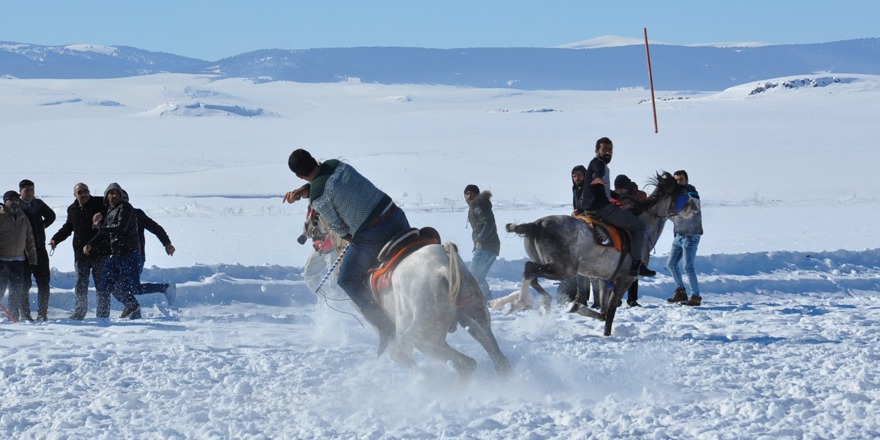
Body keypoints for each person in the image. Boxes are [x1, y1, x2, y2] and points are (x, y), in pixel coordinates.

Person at [284, 149, 409, 355]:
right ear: (314, 158)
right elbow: (324, 178)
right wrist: (304, 190)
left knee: (346, 279)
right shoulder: (335, 164)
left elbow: (339, 228)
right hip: (395, 215)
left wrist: (353, 241)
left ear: (298, 175)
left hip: (373, 232)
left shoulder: (317, 197)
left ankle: (385, 326)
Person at [580, 137, 655, 277]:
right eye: (605, 149)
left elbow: (604, 190)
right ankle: (636, 264)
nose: (608, 152)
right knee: (639, 226)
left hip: (590, 208)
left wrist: (618, 196)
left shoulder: (596, 163)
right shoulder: (599, 164)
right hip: (603, 209)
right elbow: (598, 174)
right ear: (597, 151)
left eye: (610, 150)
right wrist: (598, 177)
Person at [50, 183, 111, 320]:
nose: (84, 194)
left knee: (102, 285)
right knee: (81, 285)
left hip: (100, 252)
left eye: (86, 191)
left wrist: (101, 214)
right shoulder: (72, 209)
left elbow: (113, 209)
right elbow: (68, 228)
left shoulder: (100, 202)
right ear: (75, 195)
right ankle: (79, 312)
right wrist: (55, 240)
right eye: (80, 192)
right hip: (80, 253)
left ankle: (102, 314)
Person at [83, 183, 142, 319]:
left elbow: (120, 228)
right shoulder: (110, 211)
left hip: (131, 254)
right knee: (105, 286)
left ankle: (164, 288)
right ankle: (104, 318)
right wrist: (91, 244)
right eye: (111, 193)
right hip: (117, 255)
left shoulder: (126, 207)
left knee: (134, 288)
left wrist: (101, 227)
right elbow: (104, 232)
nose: (114, 195)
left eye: (117, 193)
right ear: (107, 196)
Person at [120, 190, 177, 305]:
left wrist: (167, 243)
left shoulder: (137, 214)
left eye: (125, 198)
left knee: (133, 288)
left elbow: (155, 228)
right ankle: (132, 309)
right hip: (119, 257)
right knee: (119, 285)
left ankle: (164, 288)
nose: (123, 201)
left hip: (136, 257)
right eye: (121, 199)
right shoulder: (109, 215)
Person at [18, 179, 56, 321]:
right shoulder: (18, 205)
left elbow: (51, 216)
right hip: (23, 251)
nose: (29, 192)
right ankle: (25, 313)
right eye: (26, 190)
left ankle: (42, 313)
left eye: (32, 189)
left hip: (40, 248)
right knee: (24, 283)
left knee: (44, 282)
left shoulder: (38, 203)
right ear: (21, 191)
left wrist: (41, 226)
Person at [665, 170, 704, 306]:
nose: (678, 182)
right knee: (671, 264)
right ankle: (681, 291)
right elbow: (675, 216)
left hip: (691, 235)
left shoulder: (690, 192)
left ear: (686, 180)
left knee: (688, 266)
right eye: (676, 180)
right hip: (679, 235)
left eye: (681, 179)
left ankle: (696, 296)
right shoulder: (676, 196)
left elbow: (693, 208)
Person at [0, 190, 38, 322]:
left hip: (18, 261)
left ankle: (13, 317)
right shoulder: (1, 216)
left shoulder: (22, 217)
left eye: (17, 200)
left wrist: (33, 260)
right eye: (12, 200)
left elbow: (29, 240)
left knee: (16, 292)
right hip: (2, 261)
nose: (15, 203)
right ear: (6, 201)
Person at [612, 174, 648, 307]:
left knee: (634, 263)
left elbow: (641, 209)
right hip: (620, 230)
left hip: (635, 231)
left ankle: (632, 299)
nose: (619, 192)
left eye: (621, 189)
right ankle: (616, 296)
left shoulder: (640, 195)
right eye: (617, 190)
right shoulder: (616, 196)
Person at [464, 184, 501, 301]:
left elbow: (489, 223)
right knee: (479, 277)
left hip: (485, 247)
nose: (469, 196)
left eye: (472, 193)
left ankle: (475, 303)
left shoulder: (478, 205)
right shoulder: (478, 205)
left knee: (472, 278)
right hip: (491, 247)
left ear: (477, 194)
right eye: (467, 193)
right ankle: (488, 301)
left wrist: (480, 240)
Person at [301, 206, 339, 297]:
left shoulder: (329, 204)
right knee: (309, 275)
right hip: (318, 248)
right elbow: (309, 224)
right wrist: (305, 234)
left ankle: (338, 306)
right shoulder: (311, 206)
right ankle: (324, 300)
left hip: (334, 249)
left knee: (335, 282)